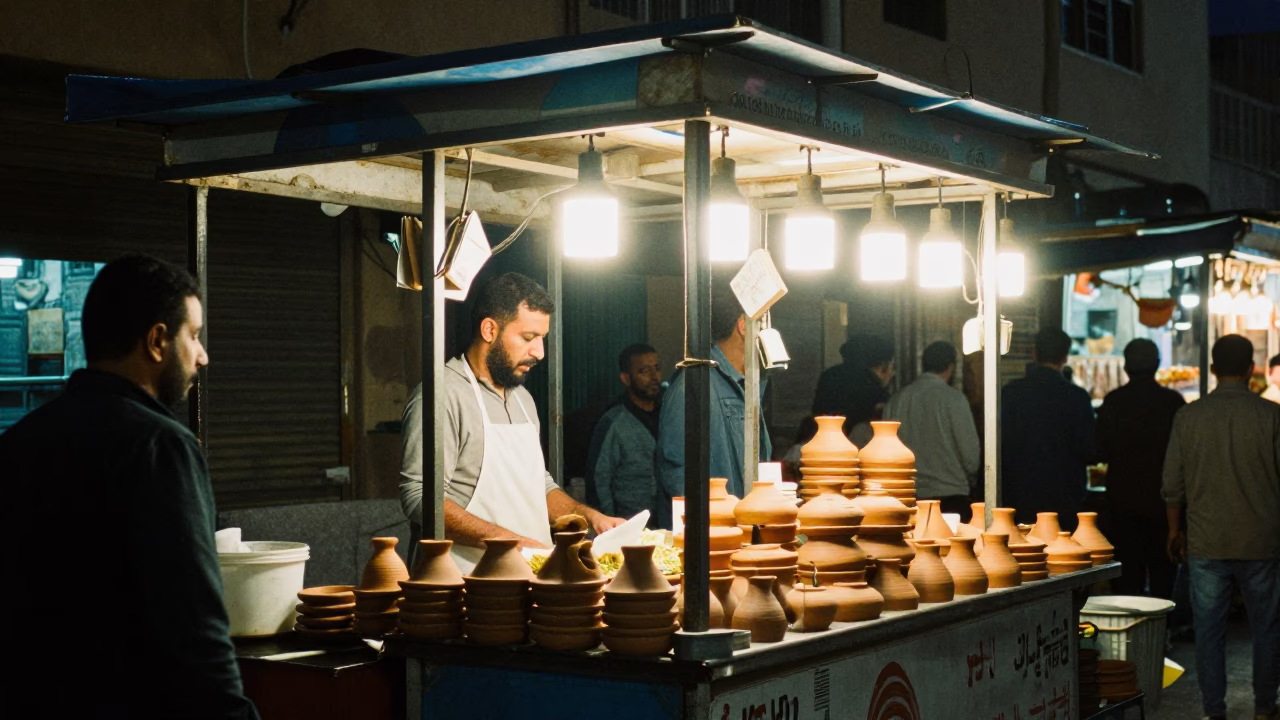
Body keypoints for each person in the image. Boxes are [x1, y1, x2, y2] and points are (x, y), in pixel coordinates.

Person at [0, 255, 258, 719]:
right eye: (194, 336)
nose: (203, 355)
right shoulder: (161, 447)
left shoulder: (19, 440)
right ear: (157, 341)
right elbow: (193, 628)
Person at [398, 272, 624, 571]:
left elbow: (538, 487)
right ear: (490, 329)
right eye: (528, 338)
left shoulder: (523, 399)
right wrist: (510, 543)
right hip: (466, 582)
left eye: (542, 339)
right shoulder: (442, 395)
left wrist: (590, 517)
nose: (539, 353)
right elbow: (420, 499)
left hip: (528, 576)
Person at [1162, 334, 1280, 720]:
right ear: (1251, 370)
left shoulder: (1189, 416)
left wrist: (1174, 531)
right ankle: (1265, 707)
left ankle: (1214, 710)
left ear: (1212, 370)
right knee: (1267, 628)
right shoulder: (1272, 416)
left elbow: (1173, 485)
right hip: (1262, 540)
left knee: (1209, 632)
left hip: (1207, 541)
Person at [655, 280, 771, 529]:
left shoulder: (746, 385)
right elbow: (676, 471)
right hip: (715, 536)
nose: (770, 332)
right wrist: (710, 531)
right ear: (743, 326)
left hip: (743, 527)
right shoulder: (694, 384)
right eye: (764, 323)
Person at [1095, 339, 1184, 598]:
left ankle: (1129, 637)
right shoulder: (1173, 402)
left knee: (1127, 582)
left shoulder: (1113, 402)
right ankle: (1160, 635)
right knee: (1162, 582)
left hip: (1122, 506)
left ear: (1125, 367)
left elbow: (1098, 452)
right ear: (1157, 365)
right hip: (1164, 508)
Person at [1000, 327, 1097, 528]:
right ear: (1065, 357)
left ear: (1034, 354)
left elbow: (1000, 446)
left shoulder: (1010, 393)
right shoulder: (1076, 397)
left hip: (1019, 494)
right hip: (1065, 496)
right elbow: (1090, 450)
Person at [883, 341, 980, 517]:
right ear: (951, 366)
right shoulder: (954, 400)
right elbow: (971, 456)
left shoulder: (897, 400)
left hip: (908, 496)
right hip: (951, 496)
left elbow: (885, 451)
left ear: (923, 364)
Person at [586, 343, 663, 522]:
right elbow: (598, 482)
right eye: (644, 371)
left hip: (669, 522)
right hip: (629, 526)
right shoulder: (613, 424)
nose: (654, 377)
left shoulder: (669, 416)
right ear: (626, 379)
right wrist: (609, 526)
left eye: (657, 369)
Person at [811, 334, 895, 446]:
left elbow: (817, 411)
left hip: (825, 444)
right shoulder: (875, 391)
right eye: (892, 367)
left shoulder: (829, 376)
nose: (893, 373)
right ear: (882, 367)